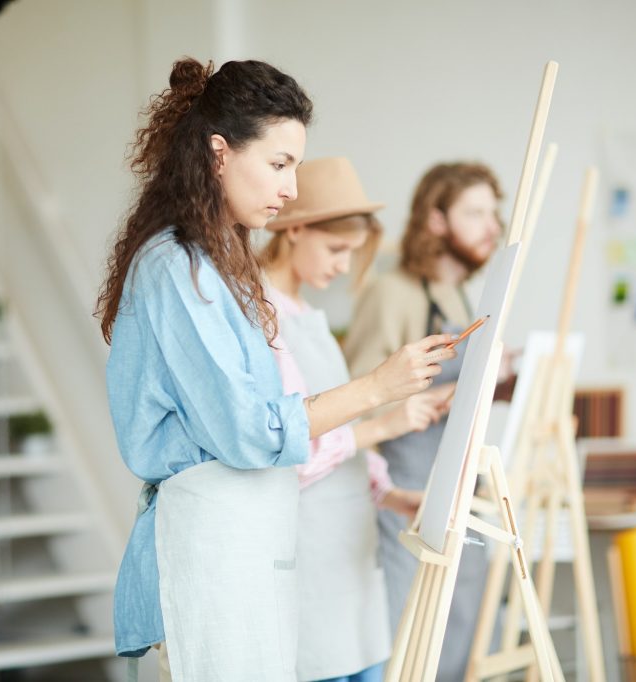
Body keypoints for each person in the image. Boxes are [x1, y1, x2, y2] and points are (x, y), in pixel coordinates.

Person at [96, 58, 457, 681]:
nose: (291, 188)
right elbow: (252, 432)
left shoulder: (213, 265)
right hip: (214, 546)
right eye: (279, 164)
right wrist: (377, 388)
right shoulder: (175, 267)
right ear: (218, 154)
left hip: (247, 542)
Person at [260, 157, 450, 682]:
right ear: (295, 228)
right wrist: (386, 424)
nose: (344, 267)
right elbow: (287, 451)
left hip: (352, 556)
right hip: (309, 558)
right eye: (337, 249)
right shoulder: (258, 315)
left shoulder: (312, 318)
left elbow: (342, 442)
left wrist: (390, 495)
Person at [343, 162, 505, 681]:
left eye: (493, 212)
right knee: (408, 644)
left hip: (456, 486)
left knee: (460, 636)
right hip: (405, 494)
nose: (492, 226)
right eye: (475, 212)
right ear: (435, 220)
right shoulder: (393, 293)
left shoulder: (462, 298)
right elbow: (356, 400)